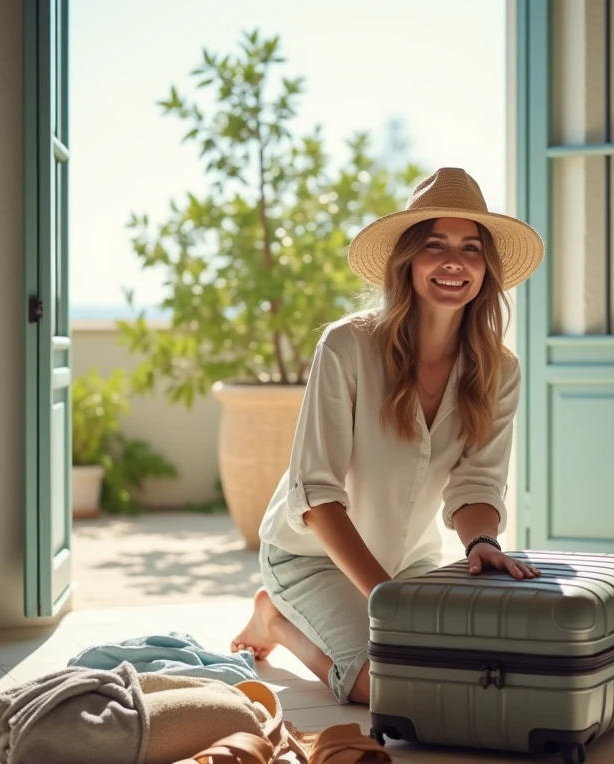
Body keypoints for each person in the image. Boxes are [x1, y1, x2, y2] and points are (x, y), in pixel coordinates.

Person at [231, 167, 546, 705]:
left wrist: (482, 544)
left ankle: (303, 620)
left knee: (465, 670)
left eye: (471, 248)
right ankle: (276, 622)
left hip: (411, 561)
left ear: (486, 269)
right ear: (406, 261)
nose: (454, 261)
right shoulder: (345, 347)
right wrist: (386, 596)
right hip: (311, 556)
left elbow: (477, 483)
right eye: (434, 245)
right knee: (387, 686)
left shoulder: (500, 370)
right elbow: (317, 496)